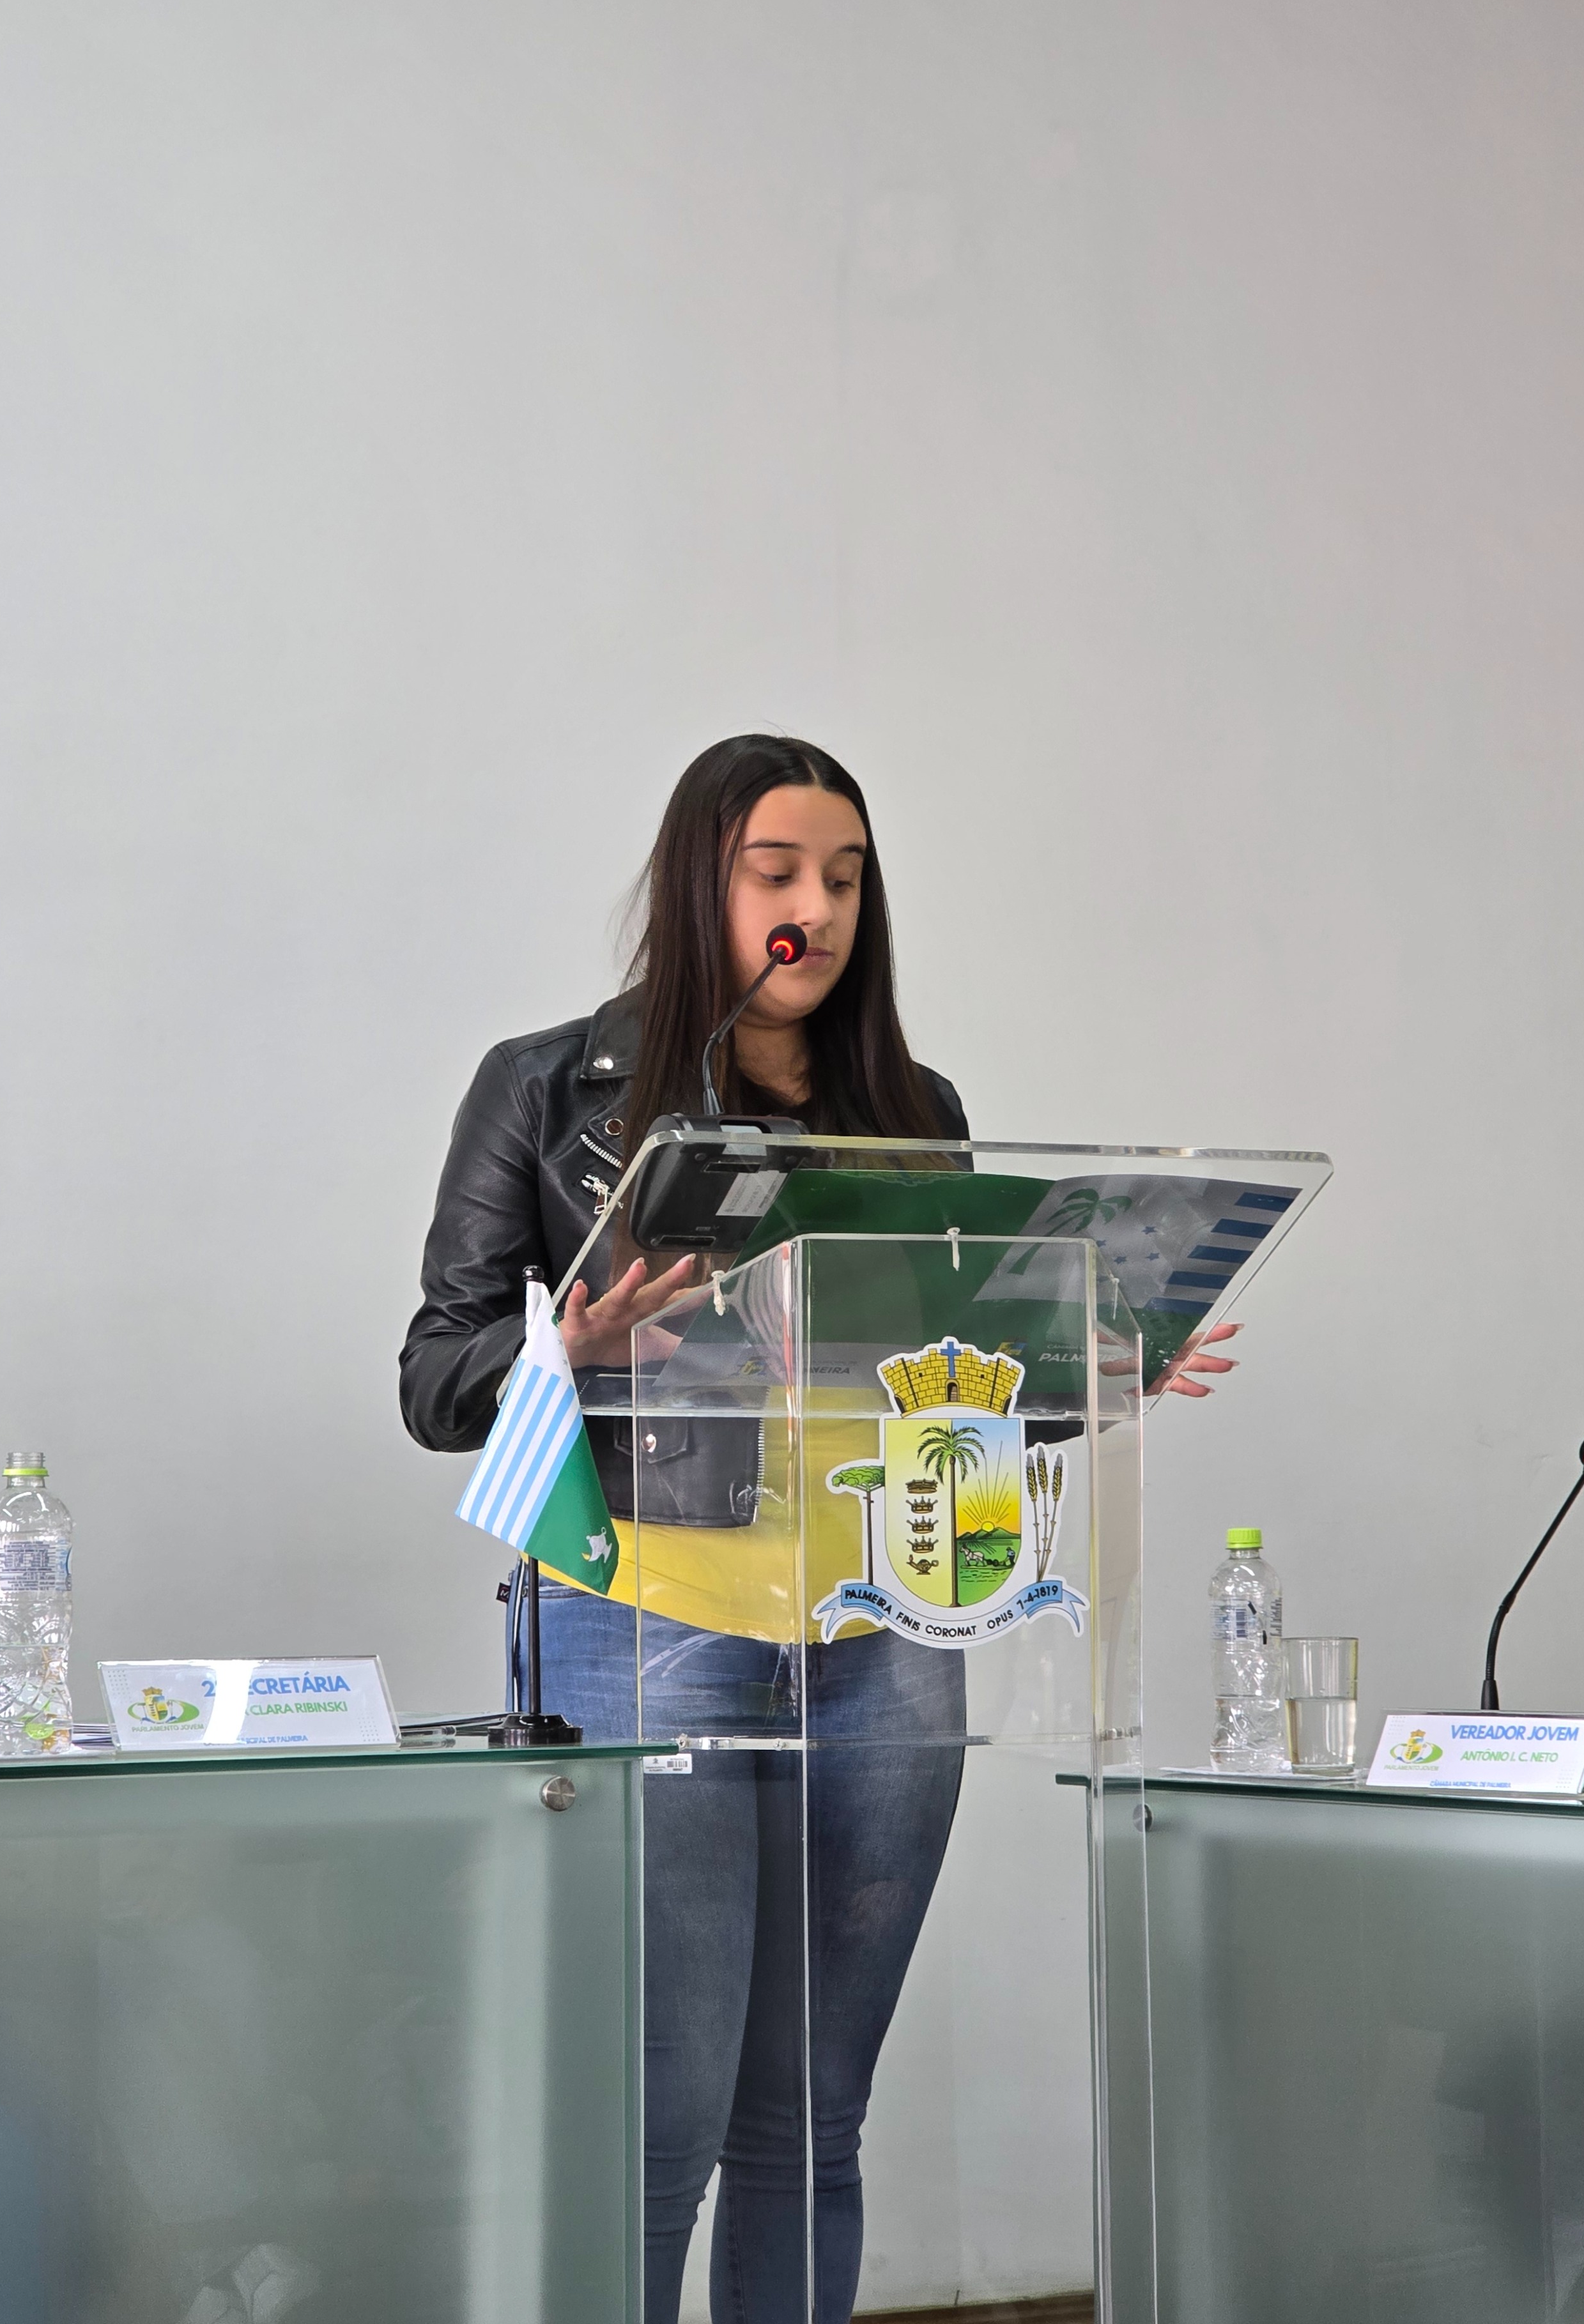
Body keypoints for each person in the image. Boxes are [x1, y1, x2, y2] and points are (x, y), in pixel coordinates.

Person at [399, 733, 1234, 2323]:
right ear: (698, 884)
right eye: (779, 872)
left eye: (847, 876)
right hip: (644, 1615)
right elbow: (436, 1376)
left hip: (883, 1629)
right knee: (660, 2128)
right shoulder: (545, 1088)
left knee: (810, 2121)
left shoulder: (914, 1108)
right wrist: (563, 1348)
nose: (822, 907)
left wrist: (1090, 1366)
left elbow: (947, 1379)